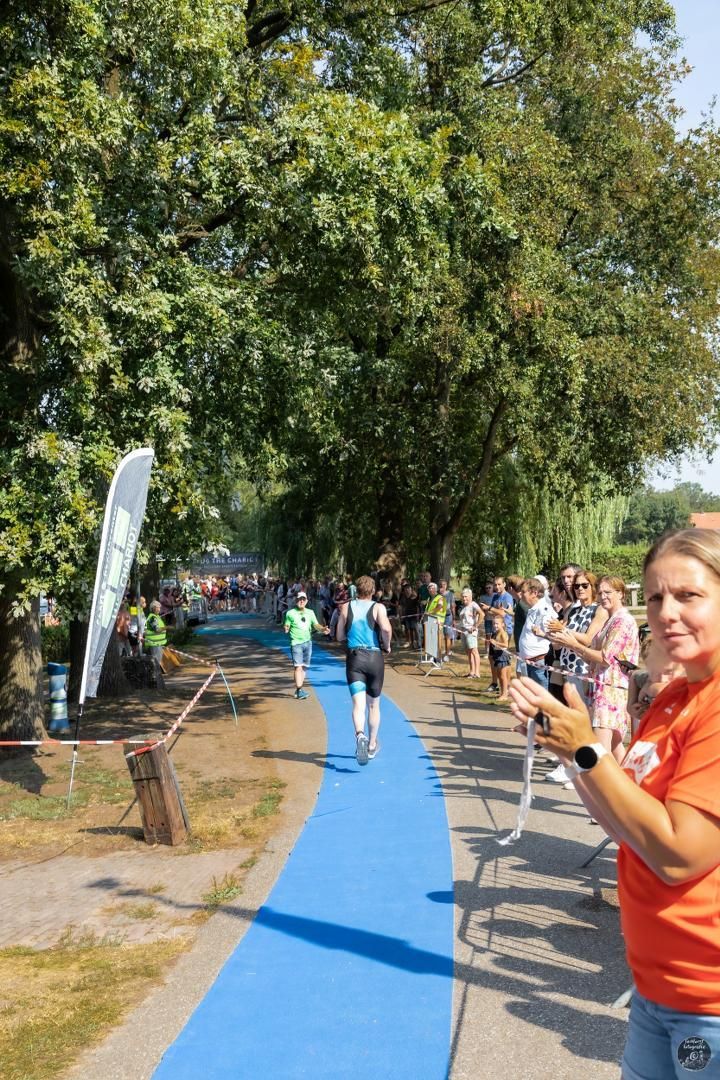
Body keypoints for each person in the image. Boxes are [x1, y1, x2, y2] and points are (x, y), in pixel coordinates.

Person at [508, 529, 720, 1080]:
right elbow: (622, 821)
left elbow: (678, 856)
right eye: (655, 597)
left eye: (688, 596)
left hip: (709, 1002)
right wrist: (571, 749)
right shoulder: (673, 699)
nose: (666, 613)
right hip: (658, 988)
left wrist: (586, 748)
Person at [553, 575, 639, 762]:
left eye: (608, 592)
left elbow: (606, 658)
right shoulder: (610, 620)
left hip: (612, 690)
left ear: (621, 594)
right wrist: (568, 644)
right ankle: (628, 779)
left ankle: (608, 781)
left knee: (601, 750)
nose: (603, 596)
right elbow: (593, 656)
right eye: (600, 593)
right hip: (602, 687)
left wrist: (574, 644)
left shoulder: (622, 621)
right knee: (615, 747)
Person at [336, 575, 392, 765]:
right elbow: (386, 629)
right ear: (373, 591)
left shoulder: (346, 607)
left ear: (356, 590)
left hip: (355, 658)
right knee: (373, 705)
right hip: (374, 657)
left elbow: (339, 636)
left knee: (358, 704)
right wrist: (387, 645)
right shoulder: (378, 607)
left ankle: (360, 735)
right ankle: (372, 745)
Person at [282, 591, 330, 699]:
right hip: (296, 643)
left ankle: (299, 689)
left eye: (303, 599)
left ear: (306, 601)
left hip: (308, 643)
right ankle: (299, 690)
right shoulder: (290, 613)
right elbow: (287, 624)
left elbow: (316, 625)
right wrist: (286, 628)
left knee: (304, 667)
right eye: (299, 599)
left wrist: (323, 629)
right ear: (296, 600)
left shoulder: (310, 612)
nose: (301, 601)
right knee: (298, 667)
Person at [515, 578, 553, 690]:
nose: (521, 594)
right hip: (531, 662)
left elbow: (552, 636)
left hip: (539, 664)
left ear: (534, 593)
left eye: (524, 592)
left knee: (542, 695)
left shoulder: (543, 610)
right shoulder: (533, 610)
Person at [458, 587, 482, 678]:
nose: (464, 598)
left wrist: (475, 626)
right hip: (464, 631)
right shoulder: (464, 607)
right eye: (463, 597)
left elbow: (482, 614)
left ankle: (477, 672)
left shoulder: (473, 604)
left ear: (470, 596)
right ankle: (472, 671)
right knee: (469, 652)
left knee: (474, 651)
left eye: (466, 596)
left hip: (471, 631)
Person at [488, 613, 512, 700]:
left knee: (503, 676)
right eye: (494, 623)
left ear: (503, 624)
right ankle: (502, 693)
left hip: (502, 656)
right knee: (499, 676)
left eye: (497, 624)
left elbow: (506, 645)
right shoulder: (496, 633)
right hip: (497, 655)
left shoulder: (503, 633)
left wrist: (495, 643)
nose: (495, 625)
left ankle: (505, 694)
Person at [143, 600, 167, 670]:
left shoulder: (156, 616)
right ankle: (155, 673)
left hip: (158, 642)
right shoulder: (152, 618)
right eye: (158, 607)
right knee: (155, 660)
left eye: (159, 607)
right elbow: (156, 629)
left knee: (157, 660)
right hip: (154, 643)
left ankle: (156, 672)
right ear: (153, 608)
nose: (159, 609)